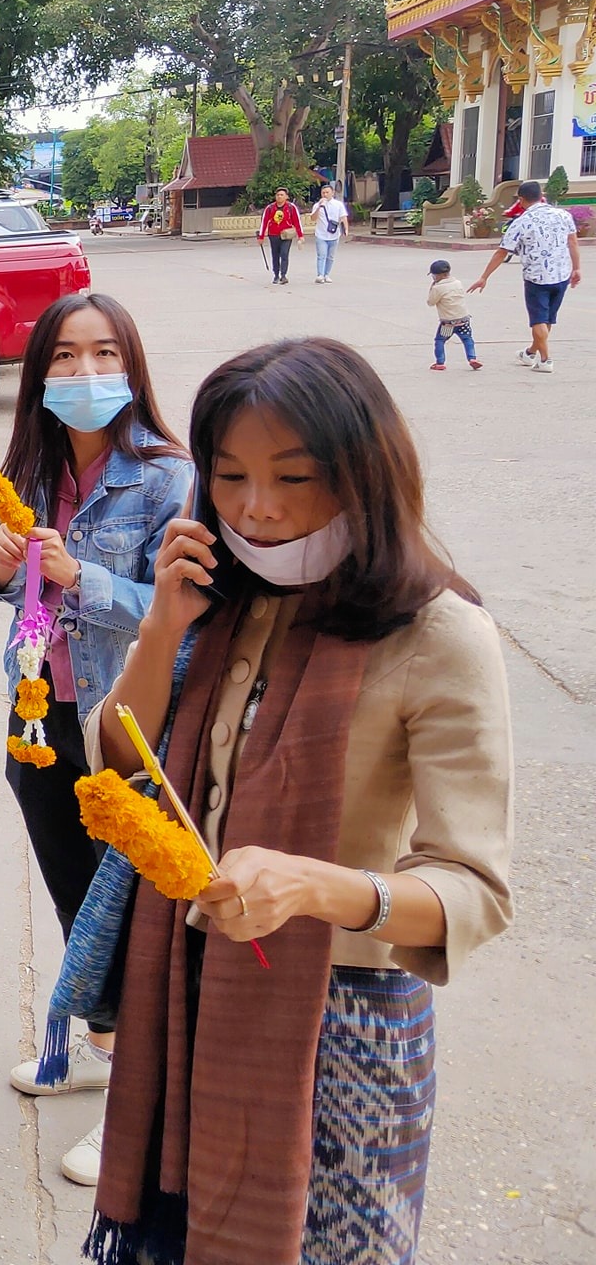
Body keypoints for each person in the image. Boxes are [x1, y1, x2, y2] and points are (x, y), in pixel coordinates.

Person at [84, 337, 511, 1265]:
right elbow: (117, 767)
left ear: (363, 474)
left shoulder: (440, 634)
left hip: (342, 1021)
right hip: (185, 998)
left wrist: (316, 887)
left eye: (294, 476)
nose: (257, 508)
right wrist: (161, 629)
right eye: (229, 476)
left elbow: (475, 891)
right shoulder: (221, 598)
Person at [0, 293, 192, 1188]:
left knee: (132, 913)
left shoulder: (169, 478)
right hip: (40, 714)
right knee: (74, 894)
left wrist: (84, 576)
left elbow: (187, 615)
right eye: (62, 356)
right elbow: (3, 587)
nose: (82, 372)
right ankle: (99, 1042)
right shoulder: (30, 469)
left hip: (123, 728)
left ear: (131, 367)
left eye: (102, 353)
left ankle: (138, 1107)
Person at [470, 178, 581, 373]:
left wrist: (484, 276)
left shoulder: (521, 222)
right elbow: (573, 242)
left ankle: (546, 360)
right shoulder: (563, 215)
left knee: (539, 319)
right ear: (542, 196)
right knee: (547, 319)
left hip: (536, 277)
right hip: (561, 274)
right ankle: (530, 353)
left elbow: (502, 252)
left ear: (521, 199)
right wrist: (577, 268)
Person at [425, 260, 481, 372]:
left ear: (436, 276)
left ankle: (440, 362)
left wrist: (432, 288)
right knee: (467, 338)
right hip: (463, 319)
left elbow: (431, 302)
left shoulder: (437, 288)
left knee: (440, 340)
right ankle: (472, 358)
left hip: (448, 323)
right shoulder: (457, 283)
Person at [258, 187, 304, 285]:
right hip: (273, 234)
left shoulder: (291, 207)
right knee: (275, 255)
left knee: (284, 254)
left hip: (286, 235)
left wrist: (300, 235)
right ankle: (276, 275)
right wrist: (261, 236)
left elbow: (297, 222)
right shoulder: (270, 208)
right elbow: (264, 222)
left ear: (286, 197)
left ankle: (283, 275)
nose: (279, 197)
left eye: (282, 195)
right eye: (278, 195)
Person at [309, 182, 348, 283]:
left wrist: (346, 229)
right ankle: (320, 275)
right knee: (321, 255)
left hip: (334, 234)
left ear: (332, 193)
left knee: (330, 256)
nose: (325, 194)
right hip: (321, 234)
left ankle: (327, 274)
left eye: (327, 192)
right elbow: (313, 218)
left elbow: (343, 217)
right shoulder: (317, 205)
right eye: (323, 193)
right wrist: (319, 207)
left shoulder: (338, 205)